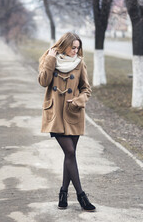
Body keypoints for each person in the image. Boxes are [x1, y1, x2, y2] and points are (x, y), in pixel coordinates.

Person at [38, 32, 95, 211]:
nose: (75, 51)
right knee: (70, 152)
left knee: (69, 156)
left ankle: (63, 192)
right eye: (73, 47)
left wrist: (79, 100)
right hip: (55, 115)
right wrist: (50, 60)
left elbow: (86, 89)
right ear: (64, 46)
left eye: (78, 48)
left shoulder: (79, 64)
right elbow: (43, 81)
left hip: (73, 113)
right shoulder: (50, 58)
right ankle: (81, 196)